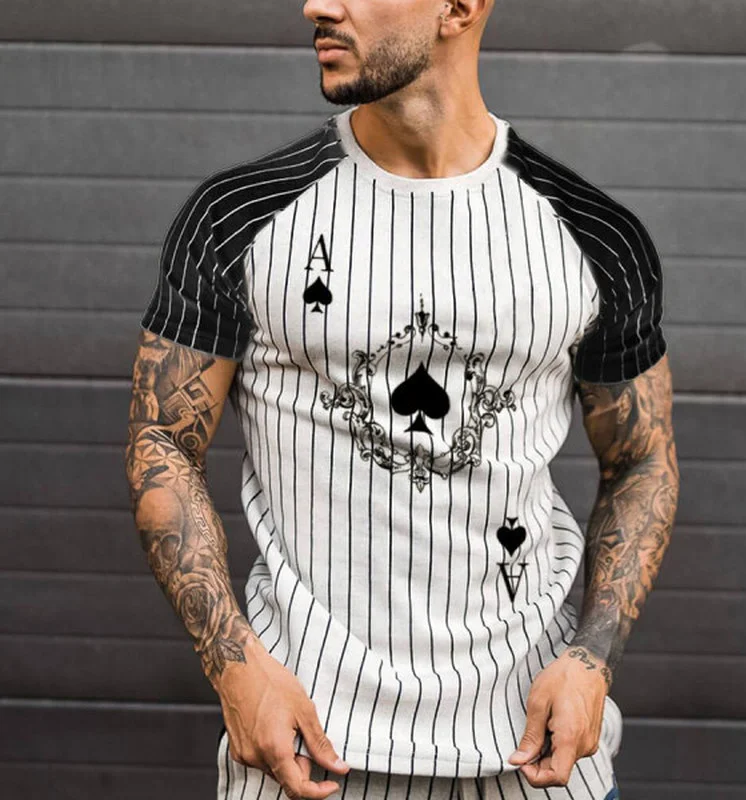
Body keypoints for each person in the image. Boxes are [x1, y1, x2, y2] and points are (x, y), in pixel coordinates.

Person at [124, 0, 680, 798]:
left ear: (460, 7)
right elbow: (162, 440)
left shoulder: (593, 237)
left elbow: (643, 461)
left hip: (535, 759)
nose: (317, 4)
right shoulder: (238, 220)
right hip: (307, 755)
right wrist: (234, 665)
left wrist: (593, 659)